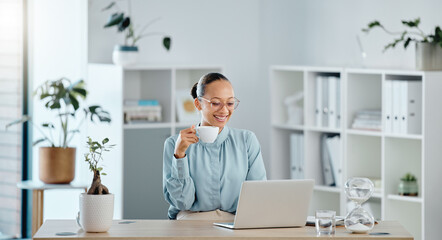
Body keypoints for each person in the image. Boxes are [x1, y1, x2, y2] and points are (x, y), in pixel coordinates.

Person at [162, 72, 267, 220]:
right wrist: (180, 156)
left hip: (236, 222)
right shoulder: (174, 144)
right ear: (198, 104)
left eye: (230, 103)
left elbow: (258, 196)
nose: (224, 110)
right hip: (191, 222)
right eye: (216, 103)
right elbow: (183, 202)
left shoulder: (247, 140)